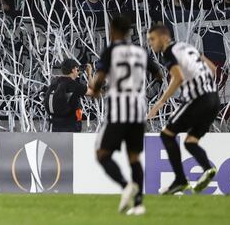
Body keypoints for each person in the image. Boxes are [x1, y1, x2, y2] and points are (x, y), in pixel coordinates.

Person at [90, 15, 162, 216]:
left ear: (114, 31)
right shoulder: (141, 52)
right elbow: (159, 75)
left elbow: (100, 77)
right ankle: (139, 204)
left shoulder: (112, 50)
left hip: (118, 111)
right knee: (134, 158)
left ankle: (125, 185)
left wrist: (96, 90)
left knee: (102, 154)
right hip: (138, 112)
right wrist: (147, 91)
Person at [147, 23, 220, 195]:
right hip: (213, 99)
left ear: (164, 38)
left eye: (152, 39)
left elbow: (178, 77)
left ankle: (180, 180)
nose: (151, 43)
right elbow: (213, 68)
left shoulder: (169, 51)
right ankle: (208, 169)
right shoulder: (187, 47)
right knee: (190, 142)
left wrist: (160, 103)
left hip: (198, 99)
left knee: (166, 134)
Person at [45, 58, 93, 132]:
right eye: (77, 68)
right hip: (71, 126)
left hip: (55, 125)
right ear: (73, 70)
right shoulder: (74, 85)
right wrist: (89, 74)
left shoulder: (55, 82)